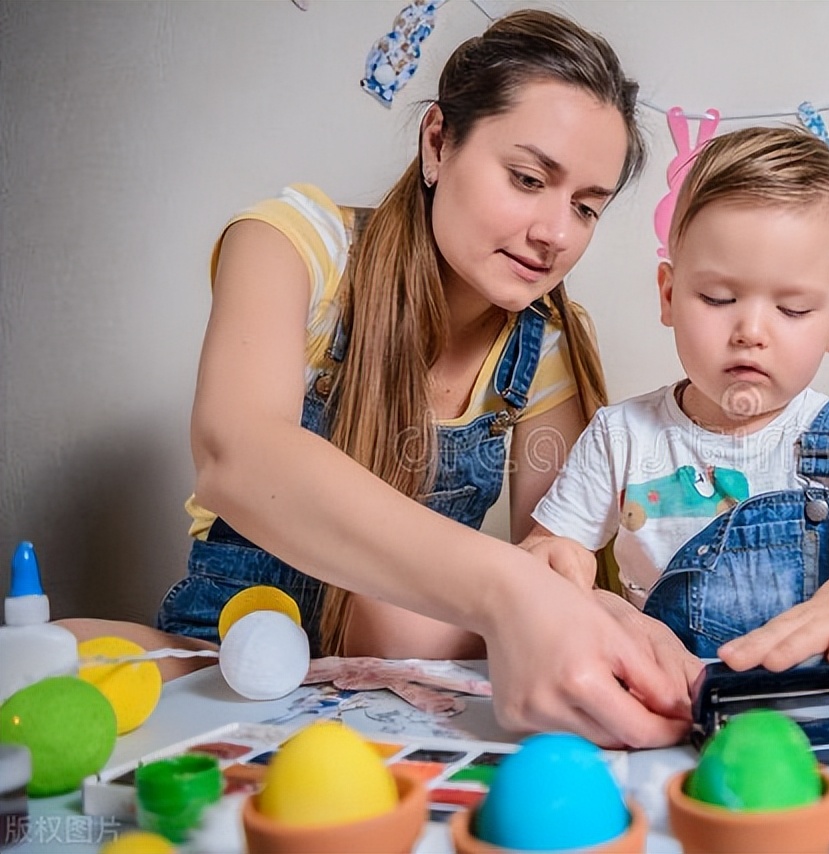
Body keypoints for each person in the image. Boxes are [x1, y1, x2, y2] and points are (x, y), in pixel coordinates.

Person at [136, 9, 690, 748]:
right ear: (437, 143)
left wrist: (612, 618)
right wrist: (509, 588)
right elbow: (238, 456)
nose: (556, 233)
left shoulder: (546, 341)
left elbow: (554, 561)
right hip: (229, 673)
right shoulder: (294, 248)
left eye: (586, 208)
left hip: (408, 696)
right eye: (528, 179)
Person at [523, 125, 829, 672]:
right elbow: (547, 554)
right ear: (669, 295)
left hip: (807, 699)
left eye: (793, 310)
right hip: (667, 695)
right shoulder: (623, 436)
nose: (751, 331)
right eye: (718, 298)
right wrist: (556, 564)